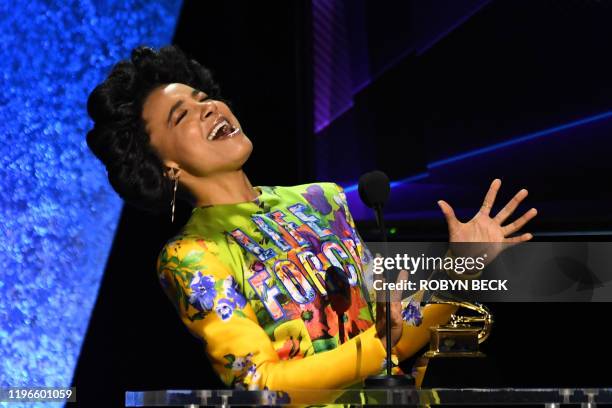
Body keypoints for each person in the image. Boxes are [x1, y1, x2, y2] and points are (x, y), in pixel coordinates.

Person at [86, 45, 537, 405]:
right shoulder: (191, 257)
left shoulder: (322, 200)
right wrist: (375, 348)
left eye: (204, 98)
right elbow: (260, 385)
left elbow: (394, 331)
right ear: (164, 166)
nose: (207, 108)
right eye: (181, 115)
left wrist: (460, 269)